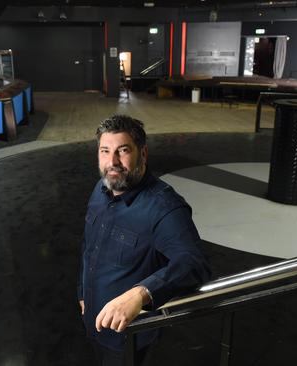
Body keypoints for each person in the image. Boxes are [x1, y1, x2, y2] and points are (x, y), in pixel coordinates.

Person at [77, 114, 211, 365]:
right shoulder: (100, 189)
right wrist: (83, 292)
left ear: (143, 154)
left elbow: (194, 263)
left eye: (123, 151)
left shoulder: (164, 207)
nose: (112, 161)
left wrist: (142, 293)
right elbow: (88, 246)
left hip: (128, 336)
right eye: (105, 151)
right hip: (93, 321)